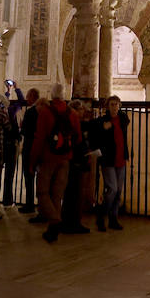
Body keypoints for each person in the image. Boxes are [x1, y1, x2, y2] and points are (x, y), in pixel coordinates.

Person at [31, 84, 78, 243]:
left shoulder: (45, 112)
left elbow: (39, 138)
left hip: (48, 158)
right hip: (65, 158)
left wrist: (32, 160)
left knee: (42, 192)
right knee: (57, 194)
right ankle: (53, 231)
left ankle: (55, 220)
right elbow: (77, 137)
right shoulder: (73, 113)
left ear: (51, 95)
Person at [93, 96, 130, 232]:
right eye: (112, 104)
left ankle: (113, 218)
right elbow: (96, 133)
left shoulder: (122, 119)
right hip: (108, 160)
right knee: (112, 189)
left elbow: (125, 118)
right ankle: (101, 216)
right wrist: (104, 128)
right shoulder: (102, 121)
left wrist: (115, 116)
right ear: (107, 107)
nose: (114, 107)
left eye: (116, 104)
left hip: (121, 159)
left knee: (118, 191)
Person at [59, 100, 93, 236]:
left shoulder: (78, 124)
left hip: (76, 161)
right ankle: (72, 223)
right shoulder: (72, 124)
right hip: (75, 162)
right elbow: (76, 143)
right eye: (80, 109)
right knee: (74, 194)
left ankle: (69, 222)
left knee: (72, 193)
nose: (82, 112)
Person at [16, 86, 40, 214]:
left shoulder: (31, 112)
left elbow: (25, 130)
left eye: (28, 96)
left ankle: (30, 204)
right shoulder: (43, 111)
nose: (26, 99)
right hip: (39, 148)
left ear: (32, 97)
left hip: (29, 148)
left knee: (29, 177)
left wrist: (21, 126)